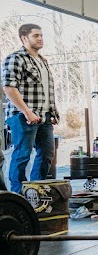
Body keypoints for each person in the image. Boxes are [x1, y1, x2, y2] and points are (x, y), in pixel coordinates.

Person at [2, 23, 59, 195]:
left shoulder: (42, 61)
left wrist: (53, 112)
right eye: (36, 36)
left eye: (41, 35)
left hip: (44, 116)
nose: (40, 38)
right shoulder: (15, 58)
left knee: (47, 154)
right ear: (24, 38)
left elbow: (46, 89)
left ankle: (36, 192)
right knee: (22, 155)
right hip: (22, 116)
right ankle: (18, 195)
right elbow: (9, 88)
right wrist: (27, 111)